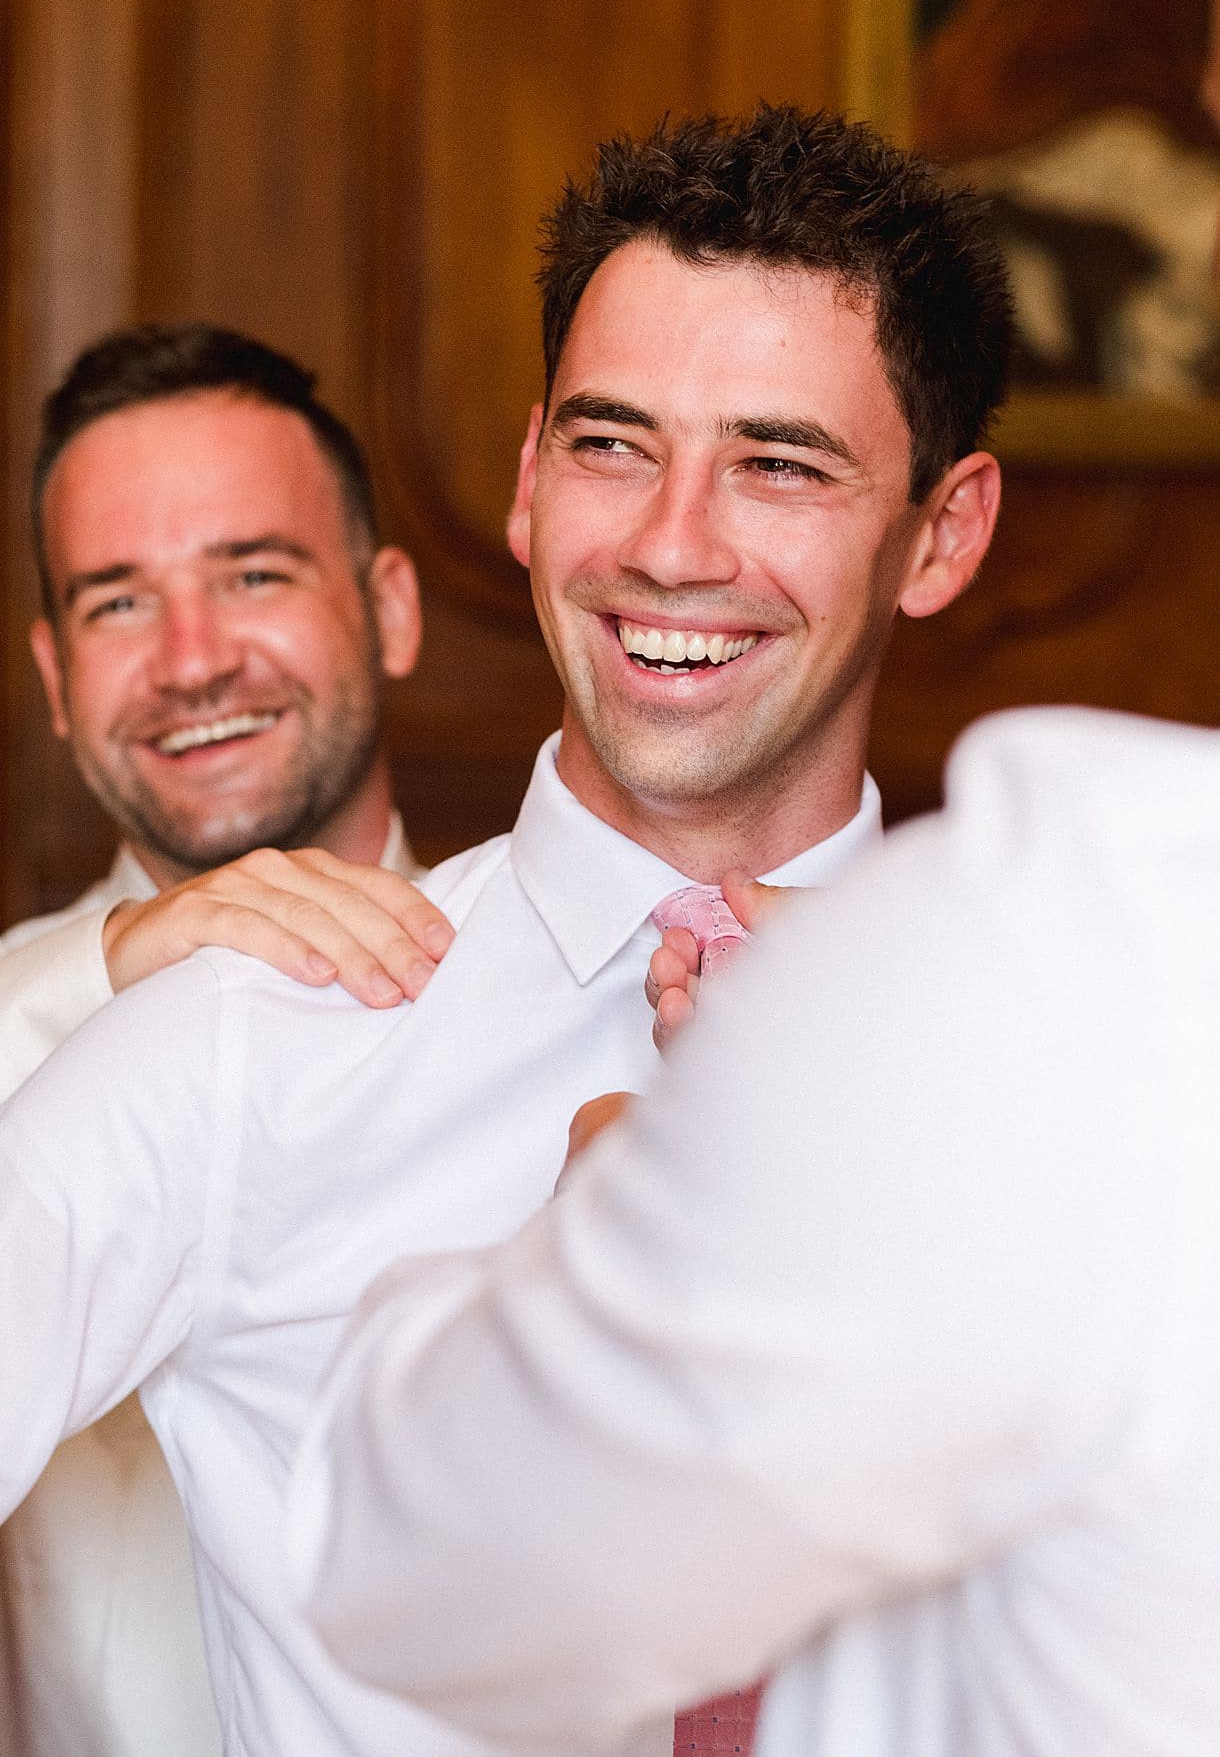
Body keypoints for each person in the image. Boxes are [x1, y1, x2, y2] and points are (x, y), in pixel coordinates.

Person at [0, 104, 1011, 1755]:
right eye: (615, 445)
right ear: (532, 482)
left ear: (943, 534)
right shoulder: (250, 1048)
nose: (672, 545)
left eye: (776, 462)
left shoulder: (1105, 1077)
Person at [290, 703, 1220, 1757]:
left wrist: (608, 1238)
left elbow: (412, 1571)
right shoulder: (1081, 940)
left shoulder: (1074, 933)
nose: (678, 551)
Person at [0, 322, 454, 1757]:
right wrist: (105, 973)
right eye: (119, 602)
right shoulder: (23, 1026)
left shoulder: (603, 1006)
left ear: (388, 605)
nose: (194, 660)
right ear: (57, 673)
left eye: (254, 574)